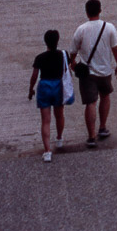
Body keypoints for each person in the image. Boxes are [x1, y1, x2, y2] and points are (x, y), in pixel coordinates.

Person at [68, 0, 117, 147]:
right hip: (105, 70)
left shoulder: (81, 29)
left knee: (90, 103)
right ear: (100, 10)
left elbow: (73, 50)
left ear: (87, 12)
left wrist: (72, 62)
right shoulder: (109, 27)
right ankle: (102, 127)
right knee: (105, 97)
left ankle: (91, 136)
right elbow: (115, 48)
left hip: (88, 72)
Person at [28, 28, 72, 162]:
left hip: (45, 87)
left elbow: (35, 76)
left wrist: (31, 89)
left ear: (45, 42)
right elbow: (67, 69)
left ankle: (47, 151)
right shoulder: (63, 54)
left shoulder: (40, 58)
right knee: (59, 115)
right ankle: (59, 138)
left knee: (45, 120)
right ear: (57, 41)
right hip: (58, 86)